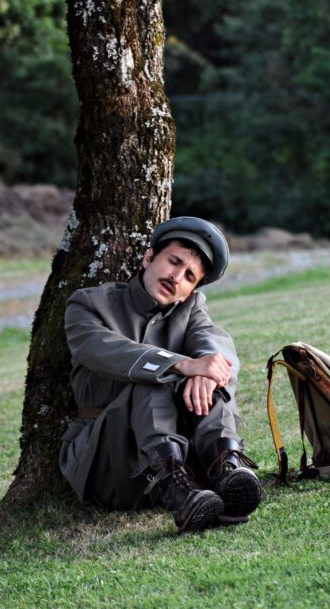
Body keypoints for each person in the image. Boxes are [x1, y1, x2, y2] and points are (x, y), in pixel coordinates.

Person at [60, 216, 261, 532]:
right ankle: (175, 491)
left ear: (191, 290)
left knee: (209, 382)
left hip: (190, 465)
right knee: (152, 379)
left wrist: (207, 371)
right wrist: (181, 365)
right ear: (149, 257)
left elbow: (214, 343)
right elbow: (99, 348)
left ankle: (226, 471)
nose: (177, 276)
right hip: (110, 461)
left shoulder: (189, 309)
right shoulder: (89, 303)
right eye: (174, 262)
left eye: (189, 276)